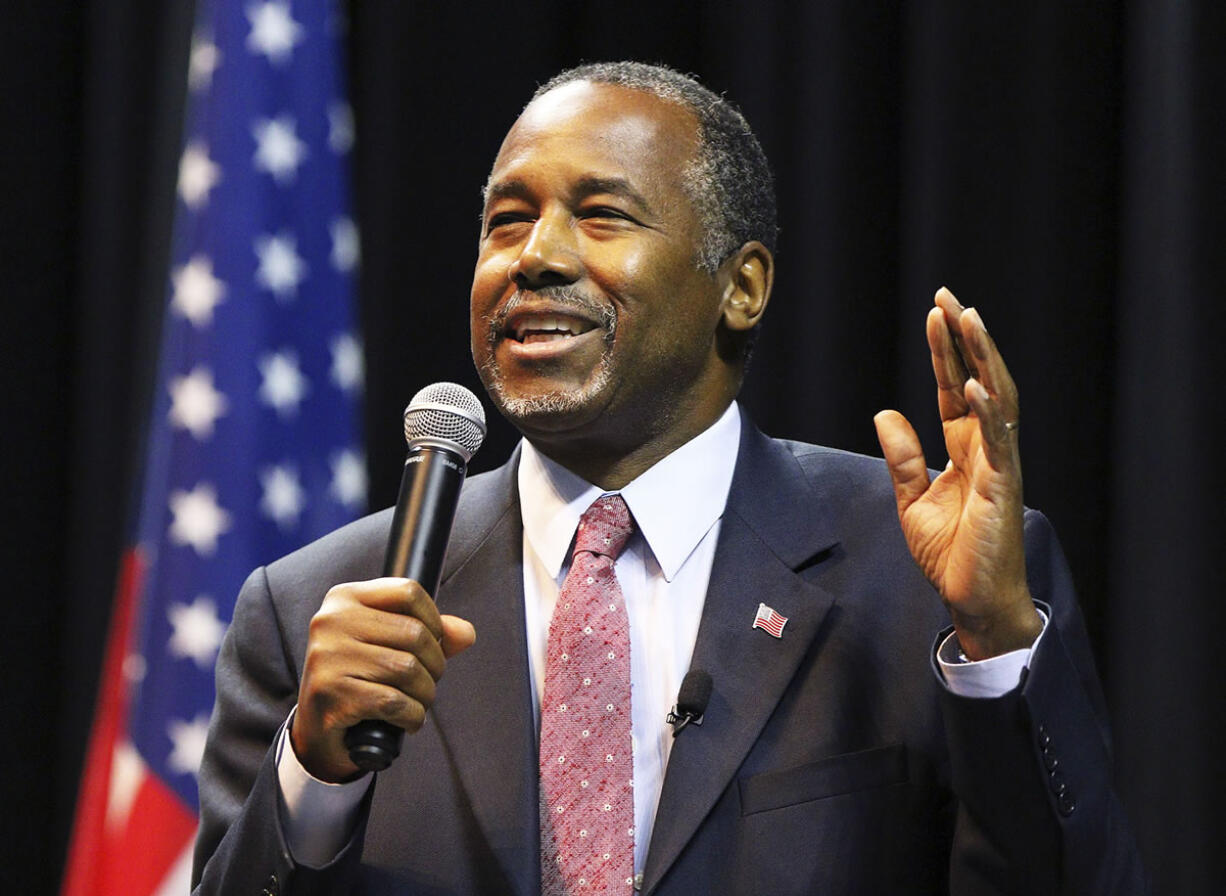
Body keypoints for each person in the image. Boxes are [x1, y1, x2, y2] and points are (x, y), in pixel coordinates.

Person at [191, 62, 1145, 894]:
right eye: (506, 222)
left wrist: (993, 652)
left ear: (743, 287)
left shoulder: (917, 580)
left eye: (601, 215)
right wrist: (315, 776)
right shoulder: (316, 607)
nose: (536, 257)